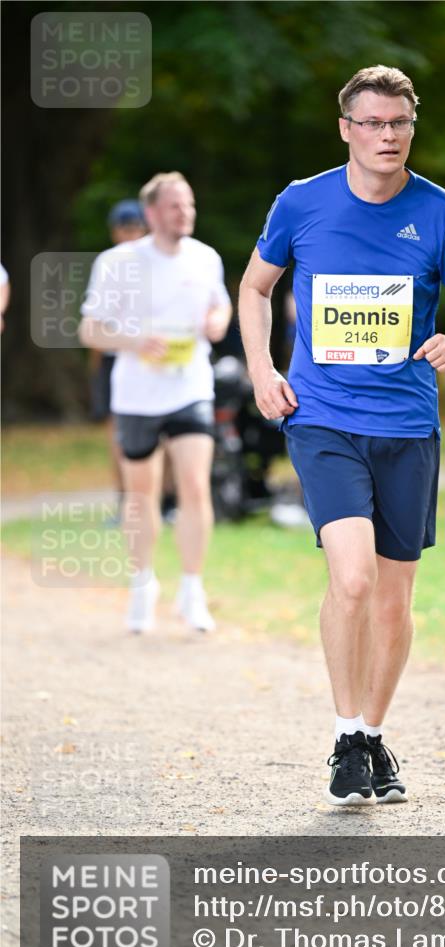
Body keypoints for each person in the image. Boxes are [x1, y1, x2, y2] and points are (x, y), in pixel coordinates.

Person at [239, 66, 445, 805]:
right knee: (350, 579)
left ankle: (371, 737)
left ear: (411, 128)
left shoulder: (439, 210)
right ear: (346, 129)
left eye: (399, 124)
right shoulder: (302, 202)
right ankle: (342, 732)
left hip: (407, 424)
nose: (387, 136)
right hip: (322, 416)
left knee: (392, 599)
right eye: (373, 123)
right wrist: (261, 369)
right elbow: (254, 287)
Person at [79, 172, 232, 633]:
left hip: (191, 387)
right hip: (137, 395)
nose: (184, 213)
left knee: (194, 487)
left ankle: (192, 588)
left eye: (189, 205)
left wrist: (217, 321)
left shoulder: (206, 258)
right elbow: (90, 330)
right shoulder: (117, 262)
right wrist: (135, 341)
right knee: (141, 494)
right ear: (151, 213)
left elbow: (220, 305)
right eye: (174, 206)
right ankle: (142, 584)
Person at [89, 201, 148, 518]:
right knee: (122, 433)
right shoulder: (115, 264)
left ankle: (144, 501)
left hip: (143, 357)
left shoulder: (115, 262)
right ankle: (129, 501)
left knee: (139, 432)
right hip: (122, 358)